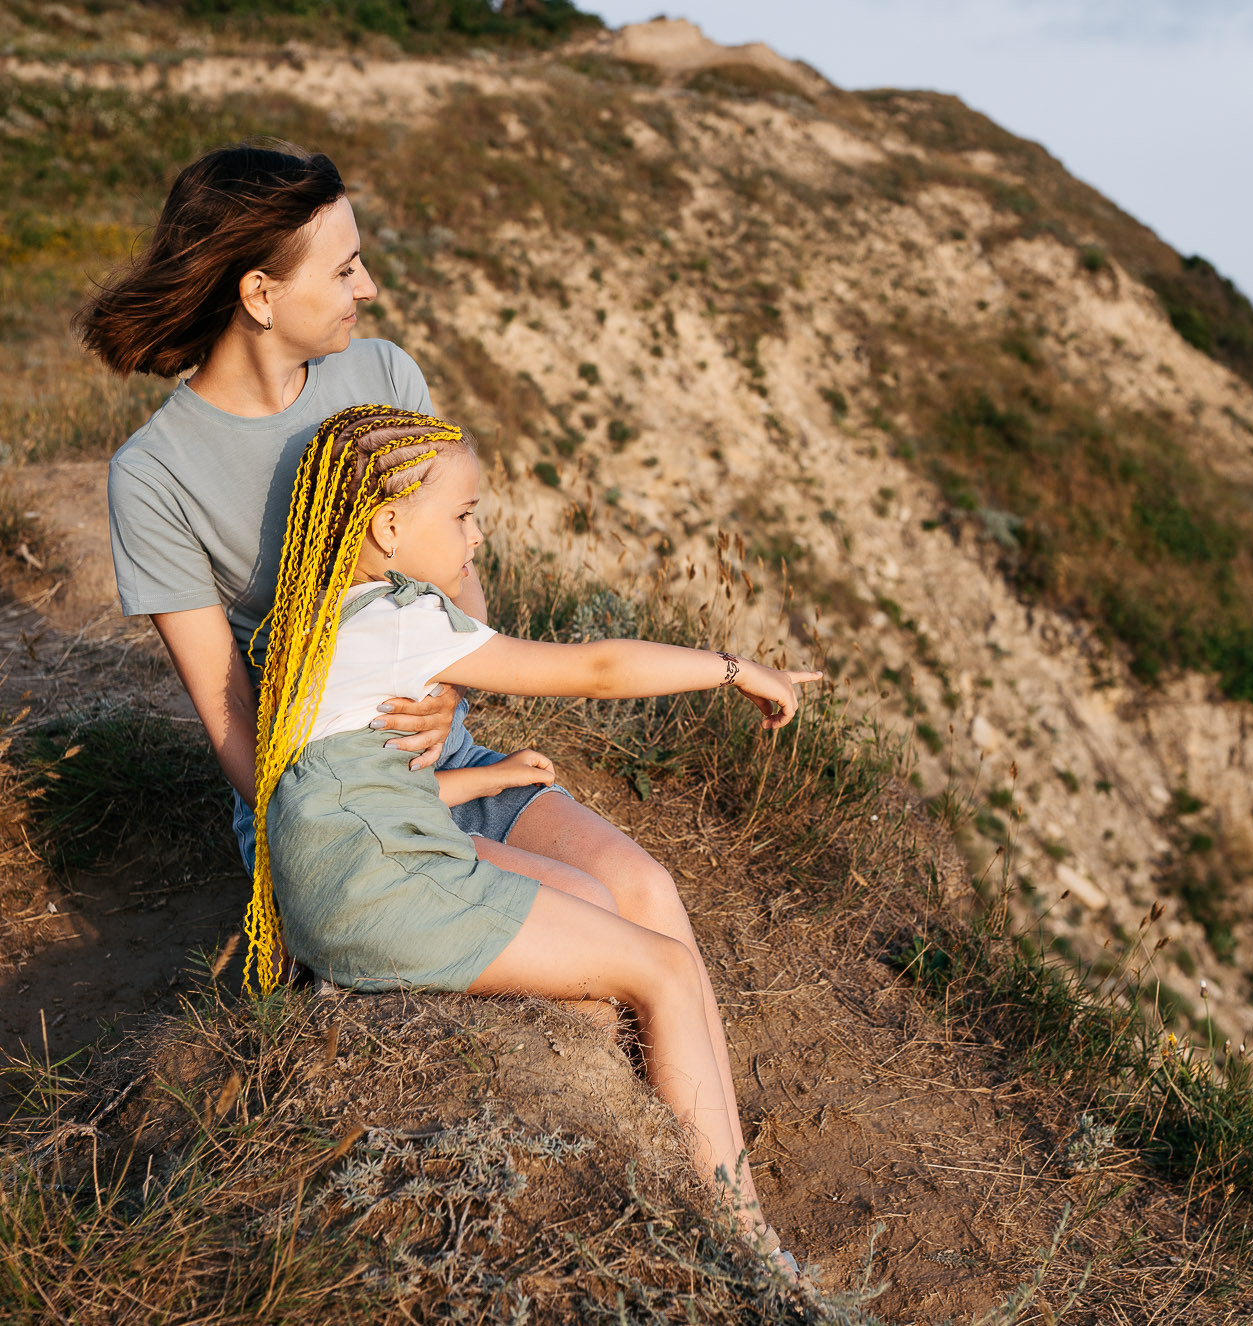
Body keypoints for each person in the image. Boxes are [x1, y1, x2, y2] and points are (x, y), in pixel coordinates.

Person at [77, 141, 787, 1255]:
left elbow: (453, 582)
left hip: (451, 742)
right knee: (618, 958)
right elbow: (227, 715)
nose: (368, 288)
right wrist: (378, 759)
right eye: (346, 269)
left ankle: (727, 1215)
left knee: (645, 890)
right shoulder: (155, 474)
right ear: (260, 295)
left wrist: (441, 687)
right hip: (329, 790)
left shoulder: (383, 375)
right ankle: (700, 1227)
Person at [248, 403, 818, 1260]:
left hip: (367, 857)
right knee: (660, 965)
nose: (478, 536)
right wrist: (736, 668)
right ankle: (745, 1238)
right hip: (381, 880)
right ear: (390, 524)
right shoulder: (405, 620)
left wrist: (493, 777)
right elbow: (591, 669)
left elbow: (352, 786)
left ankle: (681, 1141)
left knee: (595, 902)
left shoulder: (322, 616)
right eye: (466, 514)